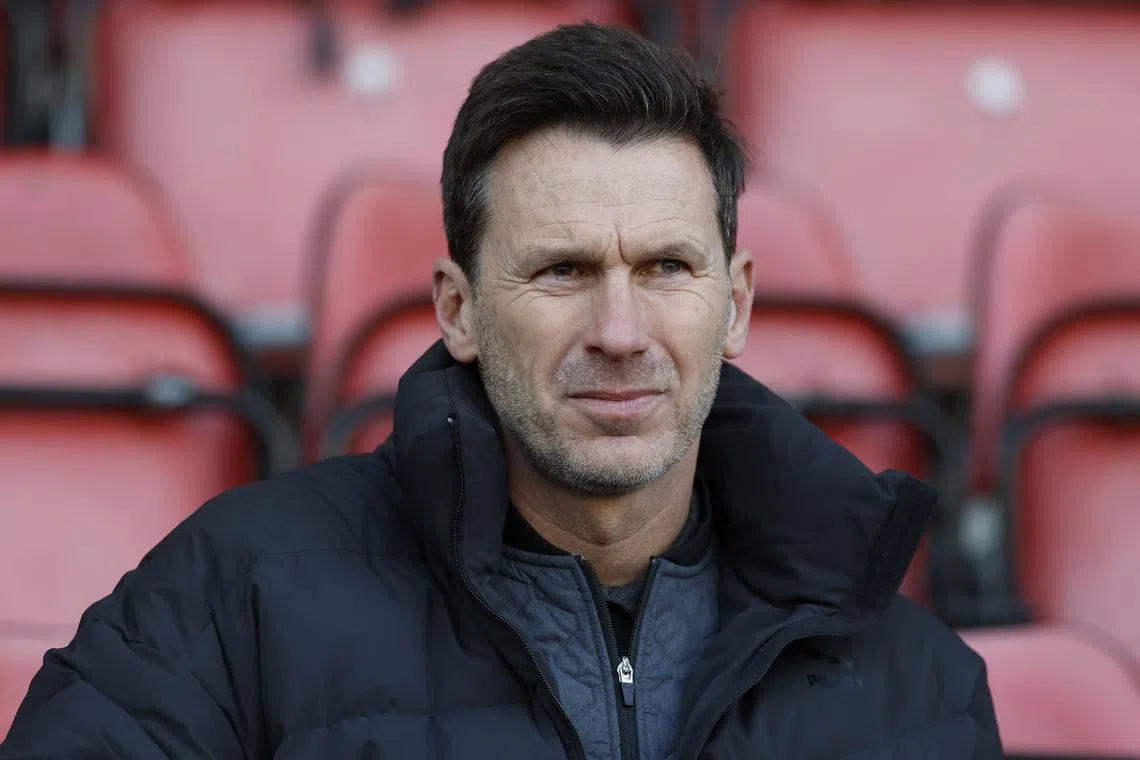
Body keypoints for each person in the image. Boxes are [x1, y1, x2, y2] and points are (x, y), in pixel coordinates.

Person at [0, 22, 1002, 759]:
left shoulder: (915, 681)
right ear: (459, 308)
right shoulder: (235, 597)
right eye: (562, 271)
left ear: (734, 304)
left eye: (665, 269)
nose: (620, 333)